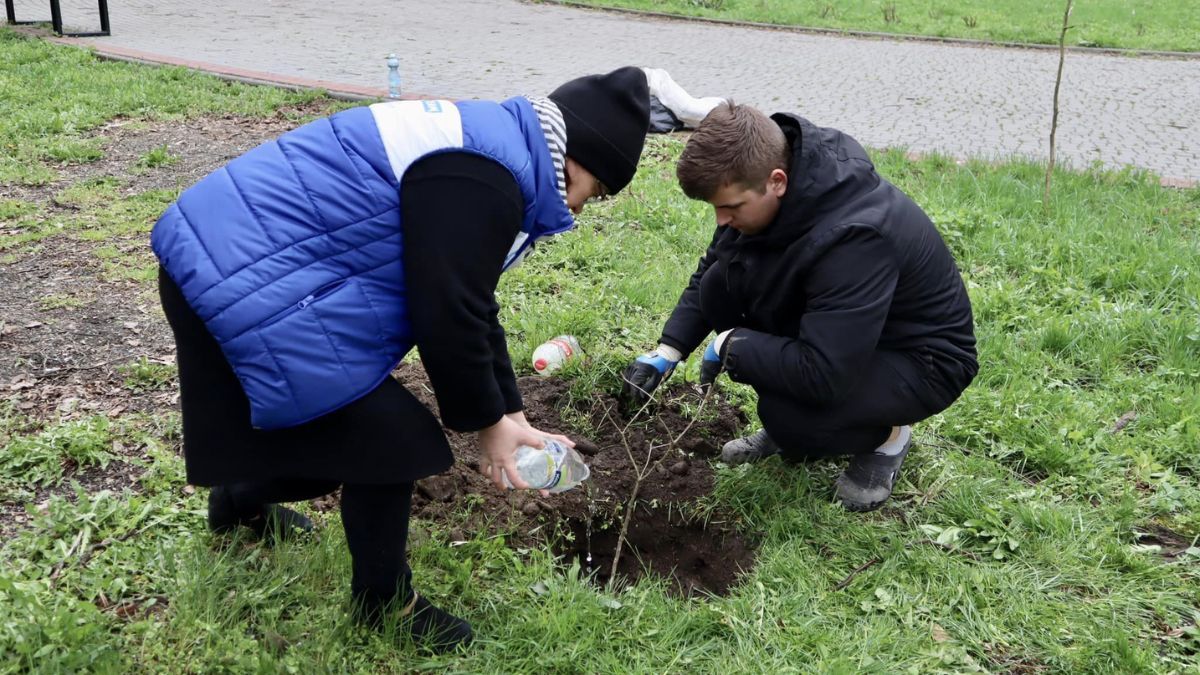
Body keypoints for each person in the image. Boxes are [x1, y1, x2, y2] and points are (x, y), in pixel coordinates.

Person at [152, 67, 650, 651]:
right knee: (394, 441)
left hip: (233, 259)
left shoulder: (498, 148)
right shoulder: (488, 175)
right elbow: (447, 308)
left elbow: (472, 299)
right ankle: (385, 604)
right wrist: (488, 428)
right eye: (601, 192)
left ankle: (239, 500)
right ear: (578, 162)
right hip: (247, 277)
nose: (587, 208)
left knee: (341, 433)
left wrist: (510, 412)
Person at [621, 102, 977, 512]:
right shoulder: (770, 191)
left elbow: (825, 374)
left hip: (919, 360)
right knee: (721, 285)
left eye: (731, 207)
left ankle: (885, 439)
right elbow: (711, 269)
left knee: (792, 418)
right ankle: (791, 423)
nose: (721, 220)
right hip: (847, 334)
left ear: (777, 181)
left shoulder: (854, 236)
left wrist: (735, 344)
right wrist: (667, 352)